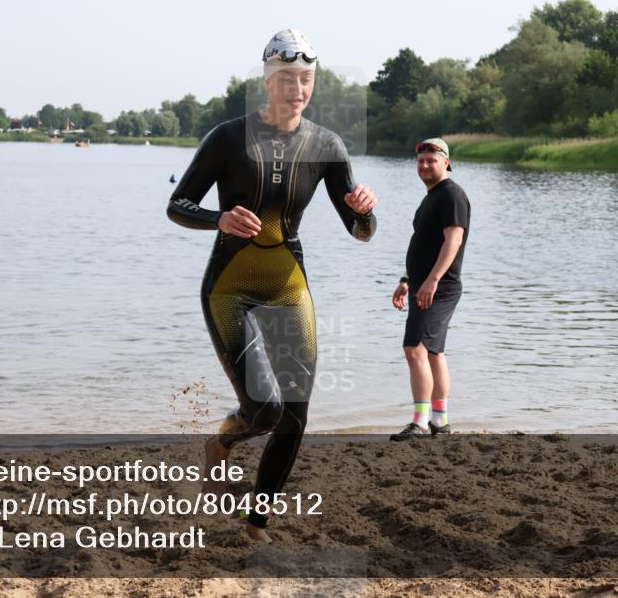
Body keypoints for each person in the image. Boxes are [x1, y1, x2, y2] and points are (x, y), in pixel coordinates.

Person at [167, 29, 377, 540]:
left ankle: (256, 520)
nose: (297, 88)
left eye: (305, 79)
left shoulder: (327, 145)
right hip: (229, 288)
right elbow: (178, 206)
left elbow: (361, 232)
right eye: (286, 79)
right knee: (264, 409)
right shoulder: (227, 137)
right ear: (267, 82)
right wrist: (217, 219)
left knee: (295, 413)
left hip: (289, 285)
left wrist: (366, 215)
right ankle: (222, 440)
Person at [390, 138, 470, 441]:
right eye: (421, 161)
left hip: (440, 287)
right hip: (424, 285)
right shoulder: (431, 197)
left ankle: (421, 422)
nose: (424, 165)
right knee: (434, 352)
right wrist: (407, 279)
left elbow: (454, 240)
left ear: (446, 162)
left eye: (431, 160)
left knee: (415, 349)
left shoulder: (452, 195)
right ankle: (439, 420)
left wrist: (433, 280)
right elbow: (424, 244)